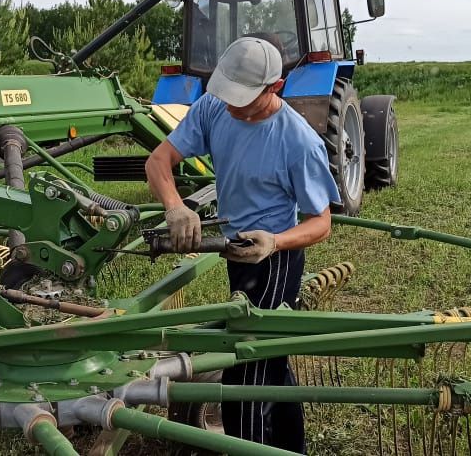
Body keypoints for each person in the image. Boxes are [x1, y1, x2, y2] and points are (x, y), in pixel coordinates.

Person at [144, 36, 340, 452]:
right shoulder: (214, 107)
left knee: (246, 369)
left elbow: (321, 223)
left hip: (274, 258)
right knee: (272, 359)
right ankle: (290, 447)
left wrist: (275, 241)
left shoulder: (297, 141)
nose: (233, 105)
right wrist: (176, 207)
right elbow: (158, 161)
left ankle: (246, 447)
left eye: (243, 98)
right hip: (237, 253)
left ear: (276, 87)